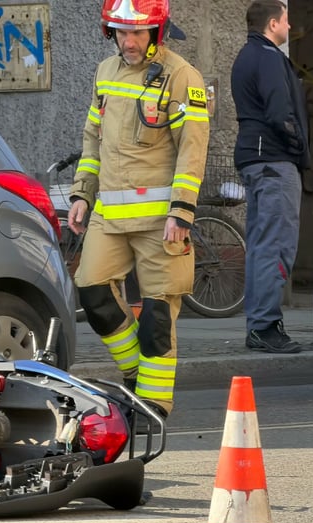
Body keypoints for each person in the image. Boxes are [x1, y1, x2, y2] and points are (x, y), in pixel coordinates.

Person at [67, 0, 210, 418]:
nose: (128, 41)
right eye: (120, 32)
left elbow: (193, 147)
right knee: (92, 292)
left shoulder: (183, 76)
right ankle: (135, 377)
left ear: (157, 32)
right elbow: (92, 138)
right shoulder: (105, 72)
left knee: (156, 317)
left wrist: (181, 211)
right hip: (109, 215)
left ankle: (152, 405)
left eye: (137, 33)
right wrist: (82, 194)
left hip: (159, 221)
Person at [230, 0, 310, 354]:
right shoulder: (270, 58)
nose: (290, 28)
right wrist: (298, 148)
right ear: (273, 23)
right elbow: (281, 112)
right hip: (273, 161)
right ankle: (265, 325)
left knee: (261, 245)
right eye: (286, 21)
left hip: (254, 159)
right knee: (276, 246)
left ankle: (259, 324)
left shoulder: (245, 56)